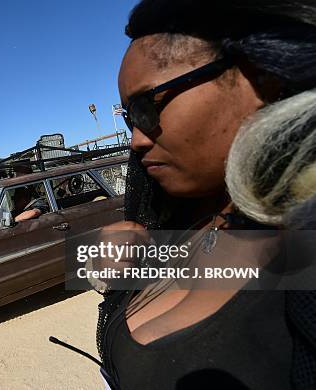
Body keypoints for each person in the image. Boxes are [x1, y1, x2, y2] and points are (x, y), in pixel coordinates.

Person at [95, 1, 316, 389]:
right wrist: (108, 276)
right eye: (131, 116)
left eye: (149, 105)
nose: (137, 140)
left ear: (261, 76)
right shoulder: (182, 217)